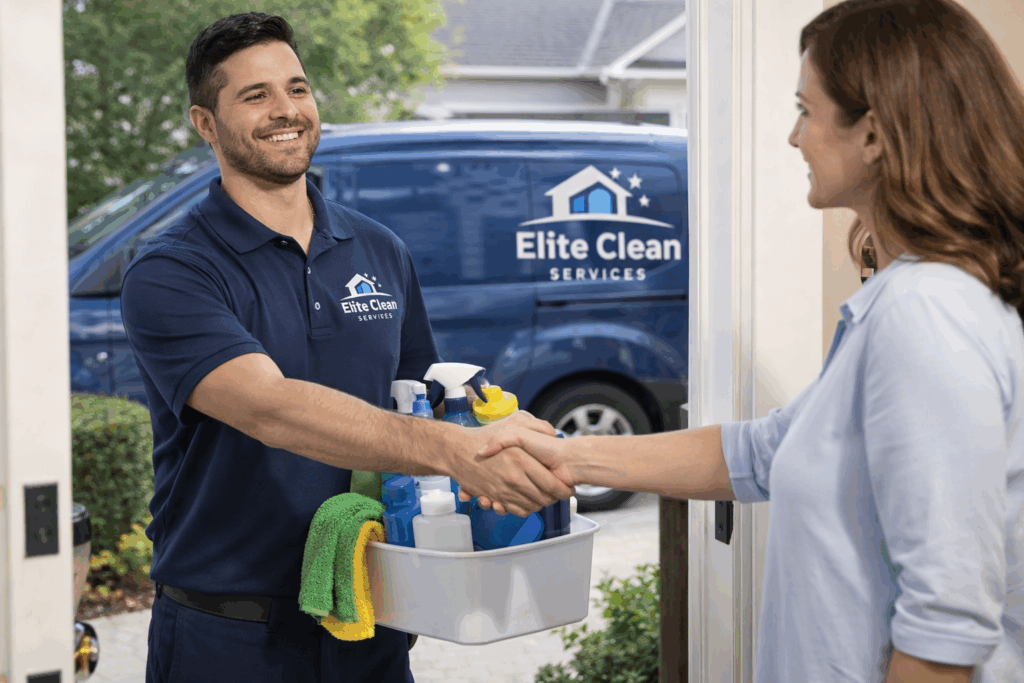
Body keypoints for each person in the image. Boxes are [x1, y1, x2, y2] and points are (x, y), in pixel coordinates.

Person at [467, 0, 1024, 681]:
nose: (795, 137)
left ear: (873, 134)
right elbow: (761, 453)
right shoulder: (904, 301)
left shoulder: (927, 313)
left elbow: (945, 629)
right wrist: (564, 456)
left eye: (806, 110)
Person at [121, 12, 571, 683]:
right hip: (228, 635)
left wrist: (497, 443)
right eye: (255, 95)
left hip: (371, 620)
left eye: (297, 89)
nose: (286, 111)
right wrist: (453, 450)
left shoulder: (378, 248)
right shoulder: (171, 269)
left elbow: (423, 403)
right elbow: (268, 408)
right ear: (205, 124)